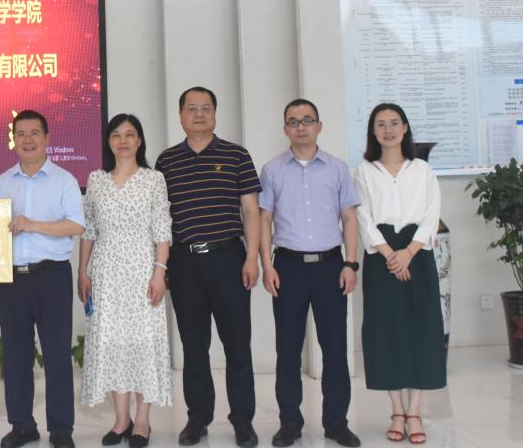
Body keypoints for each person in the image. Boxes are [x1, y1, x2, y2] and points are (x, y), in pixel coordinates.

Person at [155, 86, 261, 448]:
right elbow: (160, 219)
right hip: (184, 263)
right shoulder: (166, 161)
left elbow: (250, 210)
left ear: (215, 114)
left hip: (228, 258)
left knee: (237, 345)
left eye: (205, 108)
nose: (198, 114)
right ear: (180, 116)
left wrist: (251, 257)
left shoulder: (236, 155)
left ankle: (243, 420)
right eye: (191, 108)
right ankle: (197, 418)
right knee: (194, 346)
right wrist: (162, 266)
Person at [258, 99, 361, 448]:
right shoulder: (272, 170)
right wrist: (267, 265)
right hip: (288, 267)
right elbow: (264, 220)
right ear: (285, 129)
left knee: (335, 349)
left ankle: (337, 422)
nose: (300, 126)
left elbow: (349, 218)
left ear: (319, 126)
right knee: (287, 350)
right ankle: (289, 423)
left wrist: (350, 264)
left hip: (331, 267)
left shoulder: (337, 169)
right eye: (293, 121)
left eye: (307, 120)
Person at [0, 109, 85, 448]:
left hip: (52, 276)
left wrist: (33, 225)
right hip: (11, 279)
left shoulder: (64, 180)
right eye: (21, 134)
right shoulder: (3, 182)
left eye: (34, 133)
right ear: (13, 140)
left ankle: (61, 429)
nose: (27, 140)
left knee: (57, 355)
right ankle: (22, 425)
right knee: (16, 356)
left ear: (47, 138)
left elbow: (76, 225)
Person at [77, 114, 172, 448]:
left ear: (140, 140)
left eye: (130, 134)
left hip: (143, 272)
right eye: (116, 135)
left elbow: (162, 230)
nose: (123, 141)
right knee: (113, 342)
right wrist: (83, 271)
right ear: (108, 141)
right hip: (106, 274)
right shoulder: (96, 179)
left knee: (142, 342)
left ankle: (142, 420)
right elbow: (89, 229)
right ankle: (121, 420)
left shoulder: (153, 179)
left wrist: (159, 272)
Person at [353, 103, 444, 446]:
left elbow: (431, 214)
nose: (388, 129)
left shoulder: (422, 170)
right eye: (381, 124)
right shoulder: (363, 172)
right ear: (373, 131)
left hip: (417, 254)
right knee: (385, 330)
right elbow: (363, 218)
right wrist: (391, 254)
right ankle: (396, 410)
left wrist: (408, 253)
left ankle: (415, 411)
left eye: (394, 123)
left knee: (422, 329)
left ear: (405, 128)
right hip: (382, 257)